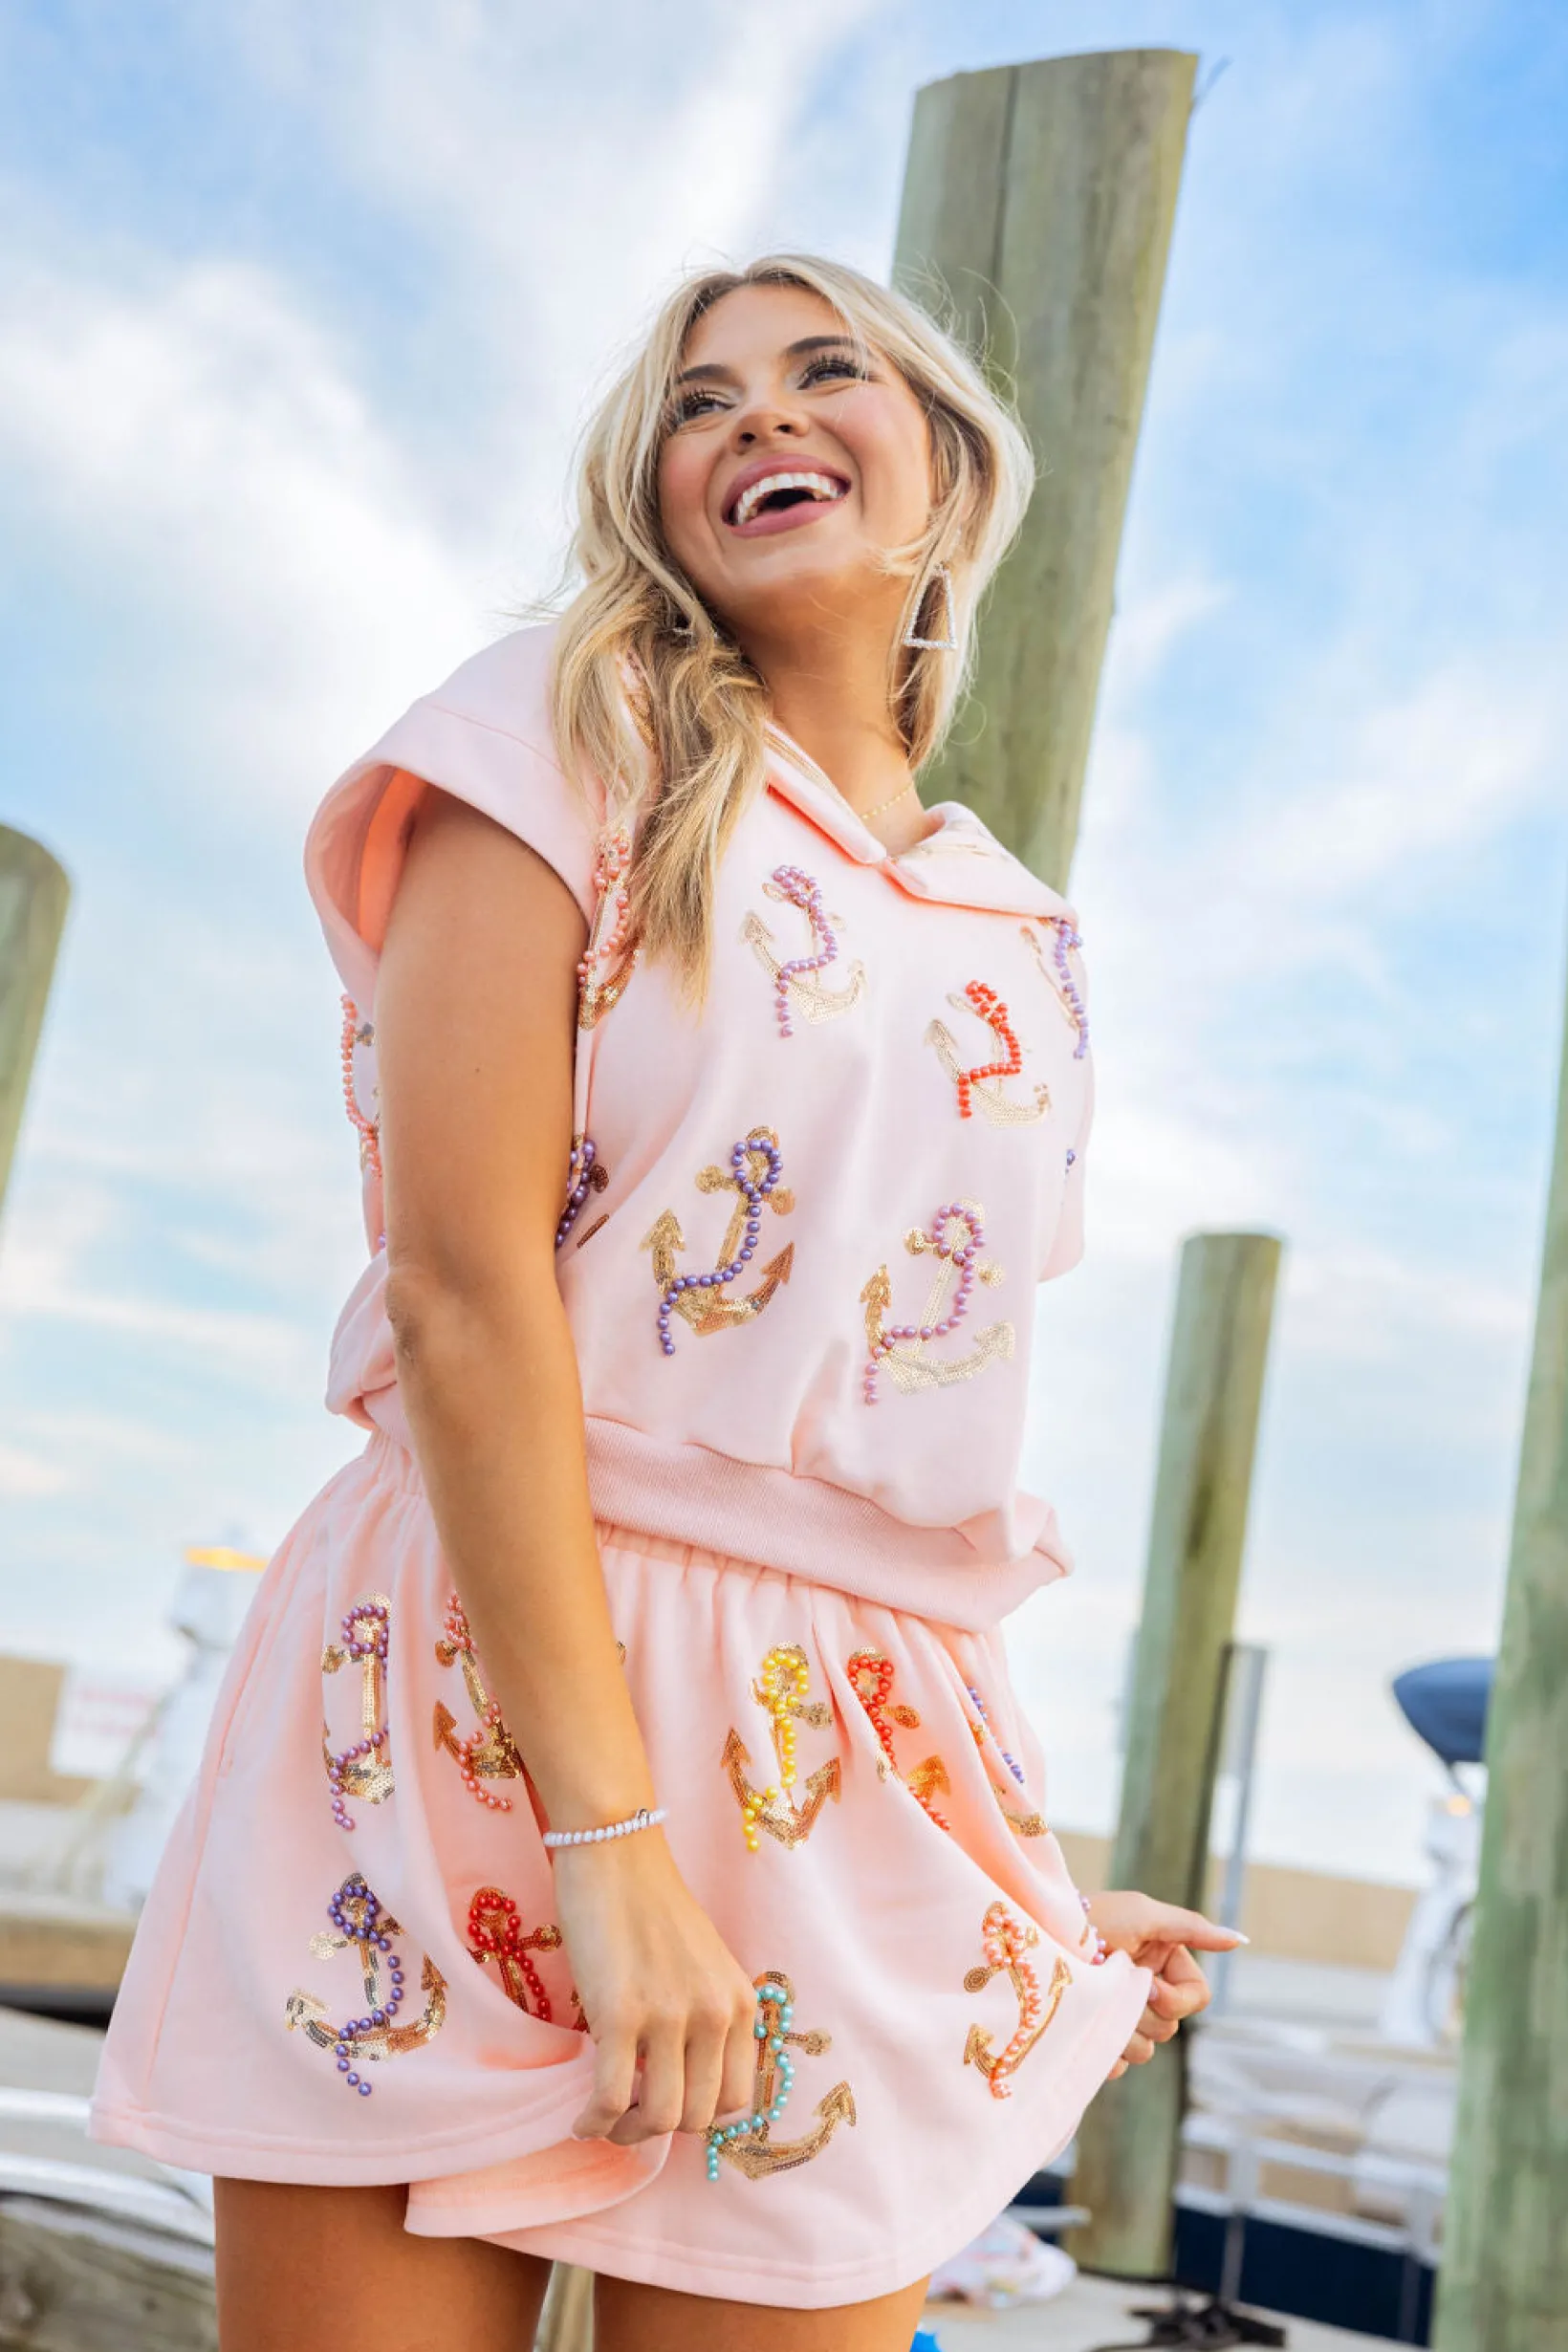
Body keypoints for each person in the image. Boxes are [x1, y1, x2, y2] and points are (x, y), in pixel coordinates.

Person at [92, 253, 1241, 2352]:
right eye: (700, 402)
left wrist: (1017, 1892)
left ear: (952, 465)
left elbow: (896, 1441)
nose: (758, 415)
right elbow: (461, 1294)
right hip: (473, 1698)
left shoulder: (1022, 937)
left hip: (847, 1758)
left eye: (824, 371)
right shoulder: (560, 735)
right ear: (654, 493)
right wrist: (610, 1838)